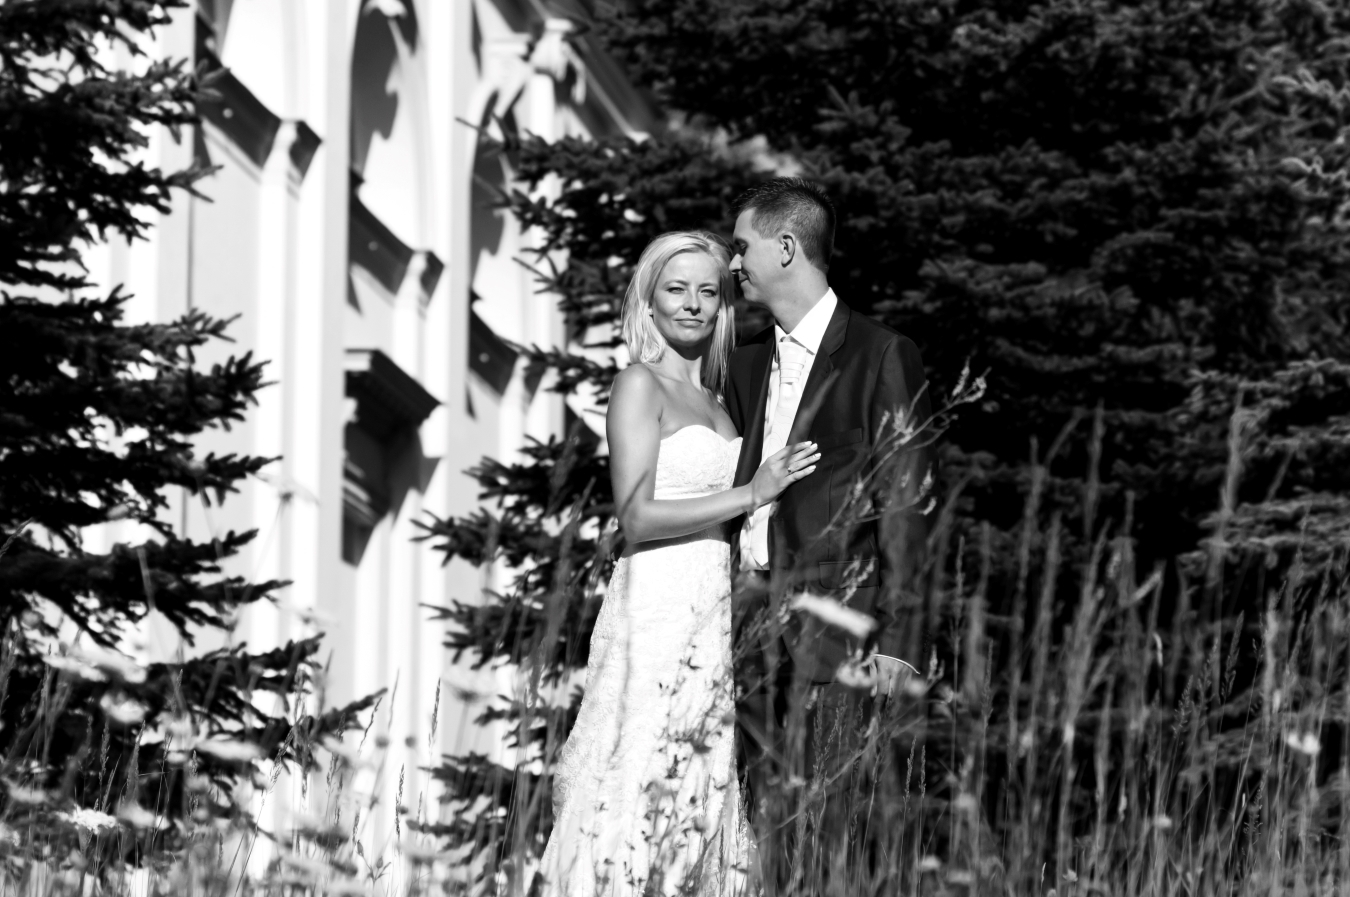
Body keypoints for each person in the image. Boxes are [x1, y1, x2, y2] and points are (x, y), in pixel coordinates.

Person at [538, 231, 819, 896]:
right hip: (655, 604)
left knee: (700, 776)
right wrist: (751, 493)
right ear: (649, 301)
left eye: (707, 291)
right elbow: (634, 515)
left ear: (723, 304)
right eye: (676, 289)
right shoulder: (639, 384)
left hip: (709, 612)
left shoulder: (720, 399)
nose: (692, 303)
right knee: (638, 768)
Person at [724, 177, 934, 878]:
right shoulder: (744, 363)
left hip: (840, 641)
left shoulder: (881, 354)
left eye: (742, 247)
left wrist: (899, 648)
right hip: (744, 640)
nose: (733, 264)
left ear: (786, 247)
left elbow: (907, 507)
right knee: (761, 841)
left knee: (832, 840)